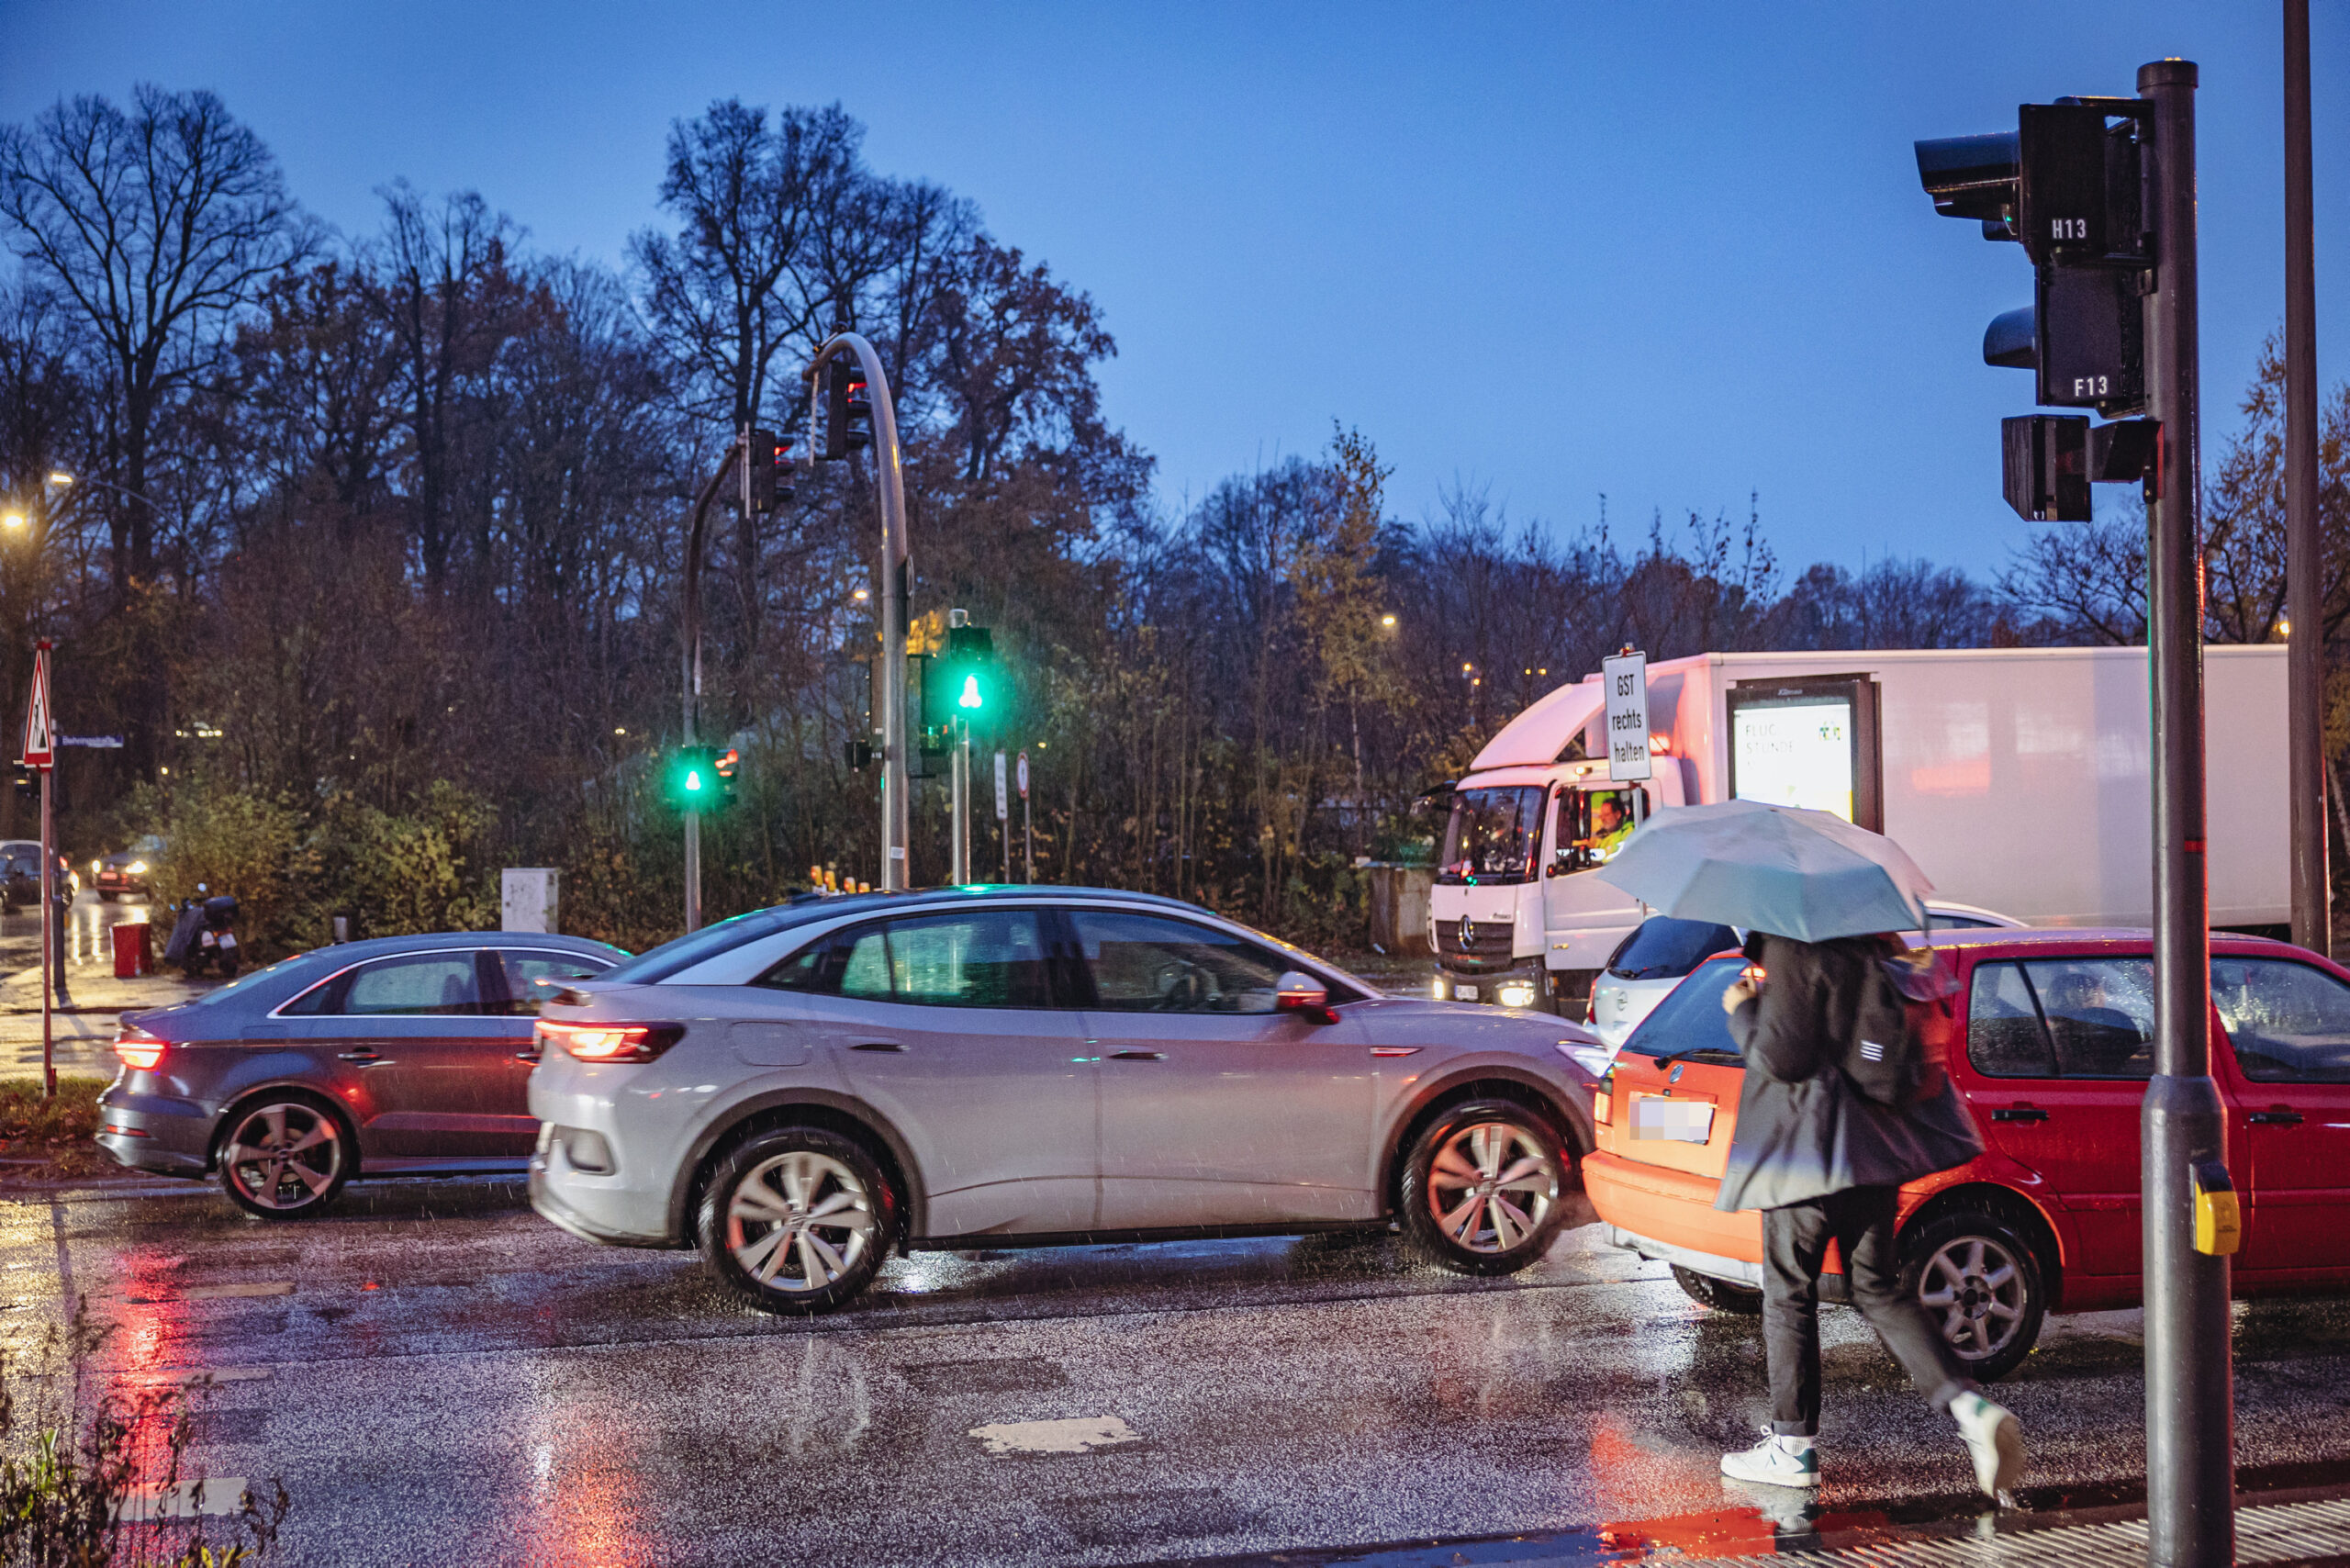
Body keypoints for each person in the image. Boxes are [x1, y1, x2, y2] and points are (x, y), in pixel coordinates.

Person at [1712, 929, 2023, 1497]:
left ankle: (1791, 1447)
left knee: (1789, 1293)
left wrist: (1744, 1011)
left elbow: (1784, 1057)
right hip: (1872, 1147)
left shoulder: (1794, 942)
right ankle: (1970, 1406)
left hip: (1805, 1149)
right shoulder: (1875, 940)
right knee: (1877, 1286)